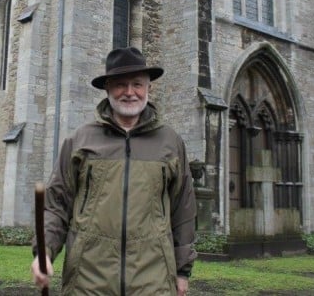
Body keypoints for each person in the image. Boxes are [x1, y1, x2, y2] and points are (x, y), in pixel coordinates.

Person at [31, 47, 197, 295]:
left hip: (153, 281)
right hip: (88, 280)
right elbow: (56, 204)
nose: (130, 92)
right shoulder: (80, 140)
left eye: (137, 84)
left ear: (149, 88)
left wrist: (182, 271)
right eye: (120, 85)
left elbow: (183, 208)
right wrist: (44, 253)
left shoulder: (170, 142)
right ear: (107, 88)